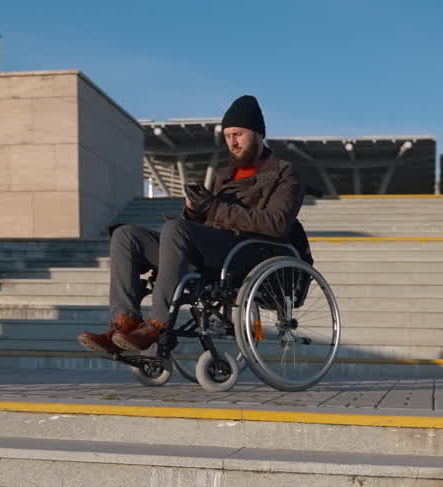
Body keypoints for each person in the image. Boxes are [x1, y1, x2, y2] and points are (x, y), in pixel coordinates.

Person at [77, 94, 308, 355]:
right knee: (125, 235)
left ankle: (157, 325)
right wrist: (193, 211)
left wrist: (213, 207)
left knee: (175, 229)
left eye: (239, 134)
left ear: (258, 133)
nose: (232, 142)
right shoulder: (224, 175)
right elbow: (202, 222)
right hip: (211, 247)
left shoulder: (285, 172)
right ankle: (124, 325)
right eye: (228, 135)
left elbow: (277, 223)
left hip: (247, 253)